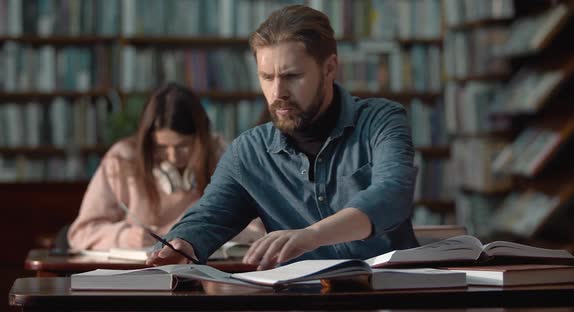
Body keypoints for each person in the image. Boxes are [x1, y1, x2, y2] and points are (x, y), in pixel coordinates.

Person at [147, 5, 418, 270]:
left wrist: (312, 235)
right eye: (266, 77)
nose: (277, 92)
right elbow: (209, 215)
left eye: (292, 76)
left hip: (387, 294)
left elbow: (392, 194)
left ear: (329, 68)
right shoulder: (249, 151)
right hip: (299, 298)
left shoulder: (381, 120)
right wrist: (183, 242)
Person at [68, 83, 265, 250]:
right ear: (147, 142)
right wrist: (125, 237)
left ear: (202, 139)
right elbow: (81, 233)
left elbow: (260, 228)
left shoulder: (223, 155)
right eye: (161, 147)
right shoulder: (121, 160)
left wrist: (220, 233)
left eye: (183, 146)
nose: (172, 156)